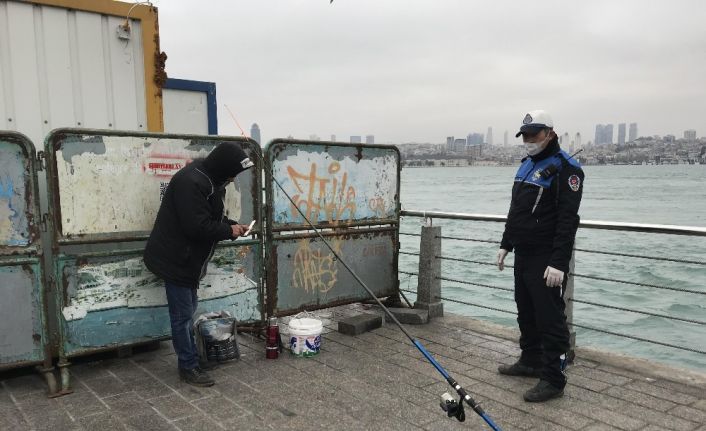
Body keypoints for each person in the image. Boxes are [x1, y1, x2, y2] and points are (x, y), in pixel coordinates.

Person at [144, 142, 254, 387]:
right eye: (233, 171)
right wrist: (229, 230)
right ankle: (188, 366)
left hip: (187, 260)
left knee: (188, 308)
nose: (234, 177)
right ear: (223, 166)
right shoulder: (191, 182)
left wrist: (232, 225)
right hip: (176, 259)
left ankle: (191, 357)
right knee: (182, 317)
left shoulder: (212, 180)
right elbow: (196, 226)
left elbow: (211, 217)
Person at [496, 110, 584, 402]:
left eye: (535, 134)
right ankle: (530, 360)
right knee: (526, 310)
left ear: (550, 132)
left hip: (546, 255)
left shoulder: (566, 168)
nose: (530, 140)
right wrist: (506, 243)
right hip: (523, 251)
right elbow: (516, 211)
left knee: (550, 317)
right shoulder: (525, 167)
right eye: (526, 135)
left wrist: (559, 262)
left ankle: (554, 379)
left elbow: (567, 220)